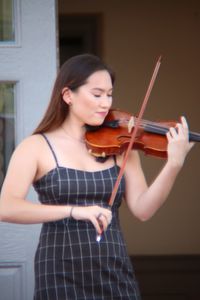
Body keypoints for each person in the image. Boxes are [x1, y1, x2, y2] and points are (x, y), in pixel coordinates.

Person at [0, 53, 194, 300]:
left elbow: (143, 209)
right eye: (97, 94)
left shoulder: (122, 145)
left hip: (114, 270)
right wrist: (74, 211)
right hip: (60, 271)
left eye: (109, 94)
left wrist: (174, 164)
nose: (106, 103)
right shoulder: (36, 147)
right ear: (68, 95)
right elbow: (6, 207)